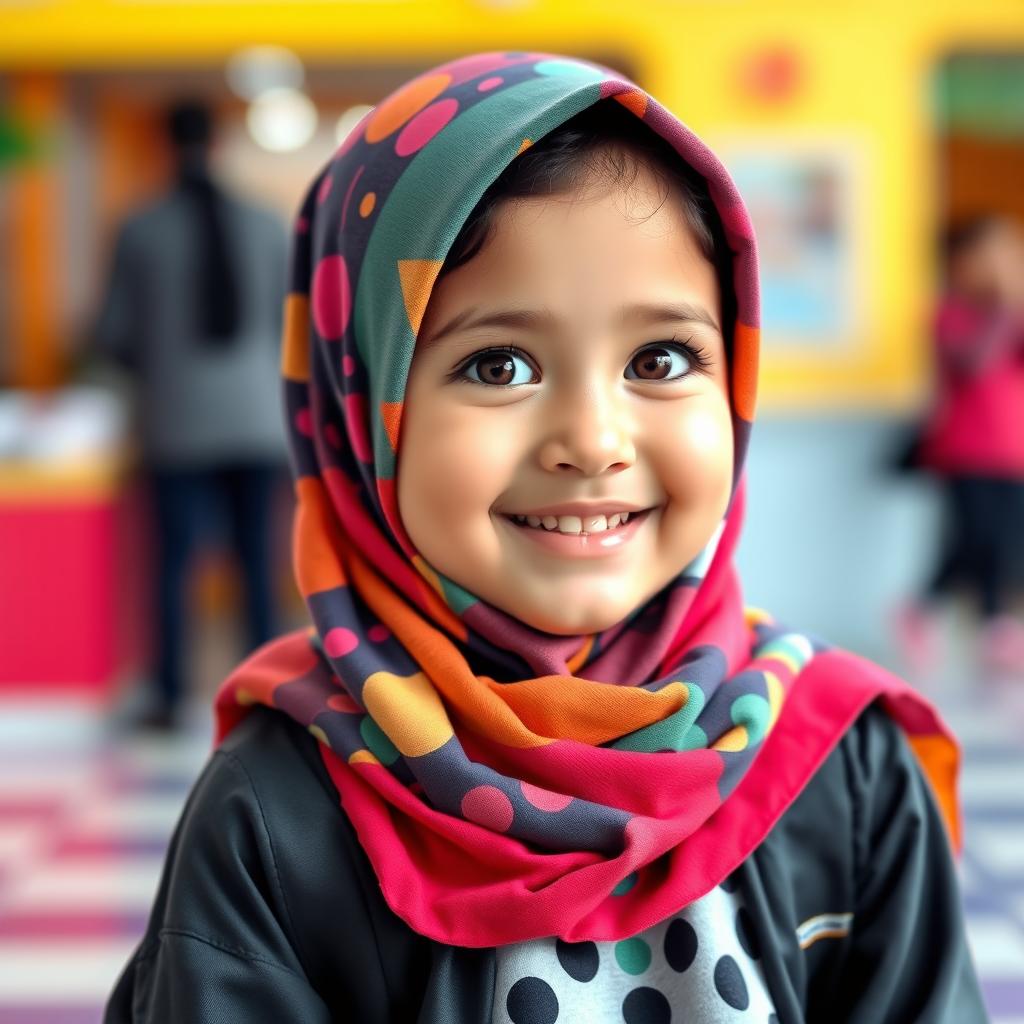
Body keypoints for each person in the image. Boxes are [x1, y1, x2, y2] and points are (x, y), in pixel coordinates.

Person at [104, 53, 986, 1021]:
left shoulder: (838, 759)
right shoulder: (278, 804)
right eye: (497, 364)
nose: (592, 442)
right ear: (362, 410)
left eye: (660, 357)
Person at [92, 99, 290, 730]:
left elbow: (115, 333)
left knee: (174, 563)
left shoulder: (141, 228)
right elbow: (296, 324)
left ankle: (170, 696)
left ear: (163, 146)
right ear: (220, 143)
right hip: (259, 422)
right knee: (258, 560)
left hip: (176, 426)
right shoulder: (266, 226)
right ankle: (266, 694)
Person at [896, 214, 1024, 677]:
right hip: (965, 451)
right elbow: (974, 362)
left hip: (1013, 451)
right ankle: (922, 608)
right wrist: (1002, 306)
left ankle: (996, 627)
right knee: (971, 538)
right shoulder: (949, 313)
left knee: (1006, 541)